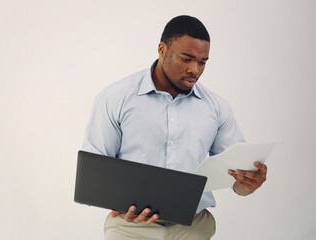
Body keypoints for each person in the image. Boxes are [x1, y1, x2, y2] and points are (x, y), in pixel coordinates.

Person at [82, 15, 267, 240]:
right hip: (130, 229)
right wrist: (120, 205)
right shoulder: (115, 99)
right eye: (186, 59)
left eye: (202, 62)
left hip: (194, 228)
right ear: (162, 49)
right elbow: (94, 173)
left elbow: (237, 179)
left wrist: (249, 184)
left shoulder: (216, 108)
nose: (195, 70)